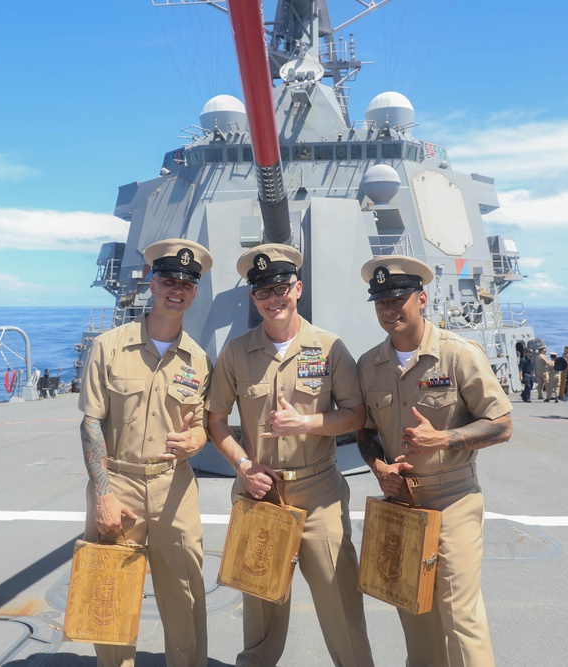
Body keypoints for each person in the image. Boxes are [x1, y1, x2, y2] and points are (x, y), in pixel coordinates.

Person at [206, 243, 374, 667]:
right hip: (260, 495)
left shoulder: (331, 349)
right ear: (253, 298)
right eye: (263, 292)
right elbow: (216, 421)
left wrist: (308, 425)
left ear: (297, 288)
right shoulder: (236, 353)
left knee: (340, 606)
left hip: (319, 493)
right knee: (260, 614)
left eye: (281, 287)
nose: (273, 299)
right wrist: (243, 466)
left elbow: (356, 415)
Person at [354, 255, 513, 667]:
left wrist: (443, 437)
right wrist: (379, 468)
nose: (389, 310)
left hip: (455, 497)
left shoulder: (458, 354)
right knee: (414, 611)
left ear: (421, 299)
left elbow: (501, 424)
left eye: (398, 299)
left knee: (459, 614)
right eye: (381, 302)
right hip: (404, 502)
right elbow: (366, 431)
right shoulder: (368, 366)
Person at [77, 239, 213, 667]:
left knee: (186, 591)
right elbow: (91, 422)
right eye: (169, 280)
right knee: (110, 592)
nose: (178, 290)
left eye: (187, 284)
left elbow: (200, 423)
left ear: (194, 292)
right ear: (152, 283)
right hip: (118, 482)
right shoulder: (109, 346)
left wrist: (198, 439)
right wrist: (103, 494)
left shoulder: (197, 359)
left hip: (174, 485)